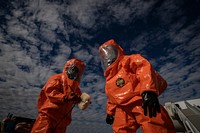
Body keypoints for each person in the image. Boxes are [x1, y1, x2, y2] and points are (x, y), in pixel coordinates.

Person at [99, 39, 176, 133]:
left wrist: (148, 91)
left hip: (140, 101)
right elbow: (111, 98)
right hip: (121, 109)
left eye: (110, 52)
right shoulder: (109, 79)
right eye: (105, 56)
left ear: (116, 51)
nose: (108, 57)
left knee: (154, 125)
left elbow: (144, 69)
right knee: (121, 129)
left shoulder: (128, 61)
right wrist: (109, 113)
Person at [31, 58, 86, 133]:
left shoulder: (75, 87)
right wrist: (65, 97)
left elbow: (79, 98)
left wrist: (83, 100)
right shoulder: (57, 78)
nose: (74, 72)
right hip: (48, 118)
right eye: (73, 69)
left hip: (62, 122)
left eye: (77, 71)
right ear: (67, 68)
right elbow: (50, 92)